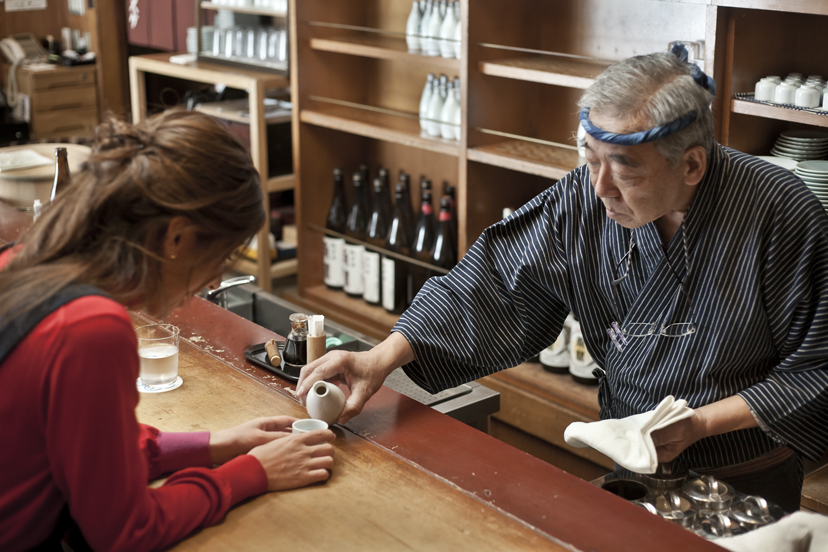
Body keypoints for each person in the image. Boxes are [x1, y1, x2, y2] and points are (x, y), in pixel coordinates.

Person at [297, 46, 828, 514]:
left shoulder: (781, 212)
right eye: (587, 157)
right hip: (629, 462)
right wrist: (381, 357)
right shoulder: (583, 195)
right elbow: (496, 280)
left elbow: (819, 365)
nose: (599, 188)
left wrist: (698, 425)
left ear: (691, 165)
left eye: (625, 170)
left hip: (744, 474)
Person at [0, 110, 335, 552]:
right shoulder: (91, 329)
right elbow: (126, 533)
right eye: (220, 257)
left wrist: (217, 444)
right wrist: (251, 472)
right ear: (176, 237)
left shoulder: (25, 260)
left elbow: (88, 448)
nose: (215, 281)